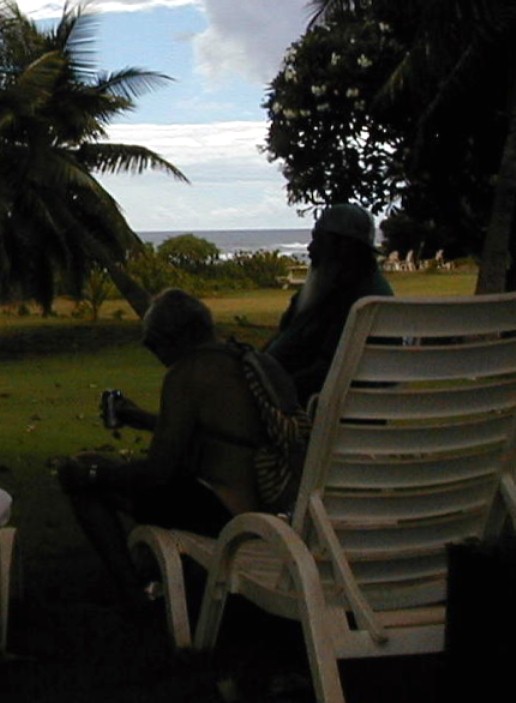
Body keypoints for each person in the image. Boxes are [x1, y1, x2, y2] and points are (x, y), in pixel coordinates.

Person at [57, 288, 303, 607]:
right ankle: (156, 576)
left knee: (83, 475)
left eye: (152, 343)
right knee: (104, 471)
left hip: (224, 515)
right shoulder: (248, 361)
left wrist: (91, 474)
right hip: (274, 510)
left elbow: (157, 472)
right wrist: (142, 419)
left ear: (175, 339)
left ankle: (134, 592)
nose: (153, 352)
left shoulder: (187, 372)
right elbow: (220, 431)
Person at [264, 203, 394, 406]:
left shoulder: (352, 301)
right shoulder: (352, 289)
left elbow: (325, 372)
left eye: (317, 240)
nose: (310, 249)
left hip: (311, 408)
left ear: (341, 247)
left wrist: (268, 386)